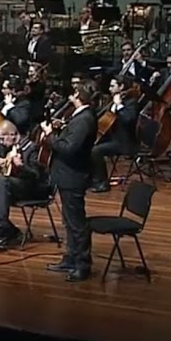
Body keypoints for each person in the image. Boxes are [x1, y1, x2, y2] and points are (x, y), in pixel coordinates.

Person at [40, 80, 98, 281]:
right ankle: (70, 259)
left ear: (79, 96)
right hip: (67, 175)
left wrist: (49, 136)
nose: (70, 95)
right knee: (69, 221)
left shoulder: (84, 119)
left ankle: (83, 264)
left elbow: (69, 148)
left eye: (73, 92)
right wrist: (62, 128)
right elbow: (71, 139)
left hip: (73, 176)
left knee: (76, 222)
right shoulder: (80, 117)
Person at [0, 120, 51, 248]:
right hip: (14, 187)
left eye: (2, 138)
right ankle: (8, 230)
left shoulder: (32, 148)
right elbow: (8, 171)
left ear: (11, 134)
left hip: (32, 189)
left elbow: (36, 175)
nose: (0, 142)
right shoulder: (10, 148)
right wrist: (0, 164)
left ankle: (0, 224)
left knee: (4, 181)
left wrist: (21, 166)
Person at [90, 77, 140, 192]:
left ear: (121, 87)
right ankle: (91, 178)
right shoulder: (112, 100)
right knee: (87, 144)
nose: (109, 88)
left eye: (113, 86)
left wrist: (119, 106)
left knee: (96, 151)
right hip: (112, 138)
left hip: (125, 142)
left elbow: (129, 120)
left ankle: (103, 183)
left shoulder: (131, 102)